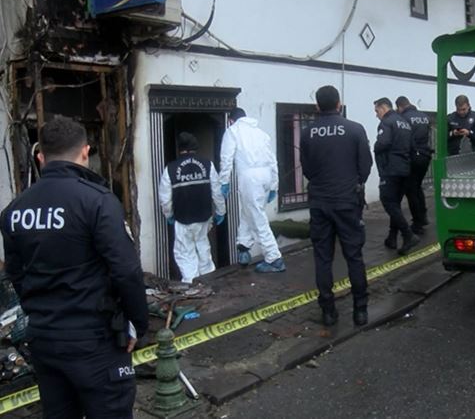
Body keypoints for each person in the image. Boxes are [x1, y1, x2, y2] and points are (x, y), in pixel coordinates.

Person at [0, 117, 149, 418]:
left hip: (44, 341)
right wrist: (138, 323)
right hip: (94, 341)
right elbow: (126, 271)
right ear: (85, 152)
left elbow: (16, 275)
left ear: (41, 157)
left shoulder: (14, 211)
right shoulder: (97, 201)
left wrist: (42, 313)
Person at [300, 85, 373, 326]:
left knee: (322, 258)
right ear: (339, 104)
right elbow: (365, 165)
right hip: (347, 202)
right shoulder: (354, 129)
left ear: (318, 107)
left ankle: (328, 311)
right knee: (354, 256)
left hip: (320, 202)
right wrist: (354, 183)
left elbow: (307, 169)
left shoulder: (308, 132)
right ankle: (360, 310)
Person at [219, 107, 285, 272]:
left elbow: (226, 158)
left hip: (250, 177)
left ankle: (274, 257)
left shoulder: (232, 131)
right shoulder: (261, 134)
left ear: (230, 120)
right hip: (266, 176)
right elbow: (272, 161)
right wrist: (274, 186)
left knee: (257, 217)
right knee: (249, 212)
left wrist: (224, 181)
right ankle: (243, 246)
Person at [159, 132, 226, 283]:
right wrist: (221, 211)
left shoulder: (170, 169)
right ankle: (209, 282)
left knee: (185, 253)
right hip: (204, 218)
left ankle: (191, 286)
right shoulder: (207, 164)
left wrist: (168, 215)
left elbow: (165, 198)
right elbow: (217, 191)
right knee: (203, 247)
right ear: (195, 147)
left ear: (179, 148)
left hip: (183, 219)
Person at [373, 97, 420, 255]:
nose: (376, 115)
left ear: (383, 107)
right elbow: (413, 147)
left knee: (388, 201)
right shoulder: (404, 122)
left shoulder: (387, 122)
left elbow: (383, 143)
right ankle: (392, 238)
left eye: (377, 111)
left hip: (391, 169)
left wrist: (375, 146)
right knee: (395, 204)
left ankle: (408, 235)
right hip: (404, 169)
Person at [396, 96, 432, 234]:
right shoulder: (424, 116)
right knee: (417, 187)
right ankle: (423, 216)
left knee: (411, 190)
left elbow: (404, 139)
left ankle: (418, 222)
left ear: (400, 107)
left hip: (412, 156)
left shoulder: (404, 118)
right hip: (425, 156)